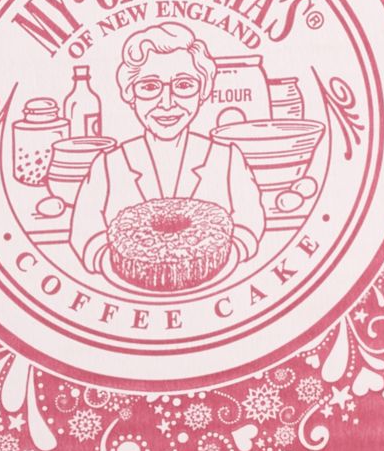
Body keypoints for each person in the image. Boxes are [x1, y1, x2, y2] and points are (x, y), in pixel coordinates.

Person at [69, 23, 265, 281]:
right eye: (149, 87)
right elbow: (84, 231)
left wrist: (229, 257)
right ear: (130, 94)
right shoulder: (108, 165)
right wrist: (116, 267)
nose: (167, 102)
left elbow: (250, 221)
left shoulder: (226, 158)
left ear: (203, 91)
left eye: (184, 85)